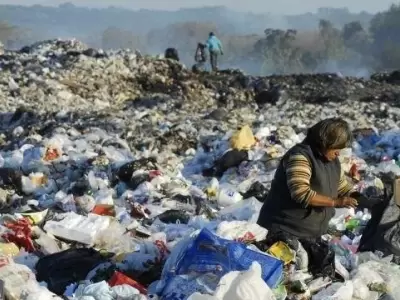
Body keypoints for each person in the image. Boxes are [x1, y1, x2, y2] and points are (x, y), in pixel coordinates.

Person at [257, 118, 362, 239]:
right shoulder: (300, 157)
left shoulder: (332, 161)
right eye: (336, 148)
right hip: (285, 230)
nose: (338, 153)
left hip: (311, 233)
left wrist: (357, 197)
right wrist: (335, 202)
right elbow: (301, 193)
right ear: (324, 142)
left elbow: (341, 186)